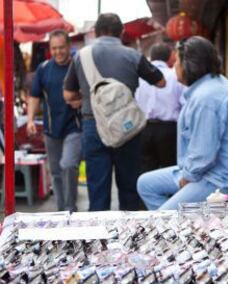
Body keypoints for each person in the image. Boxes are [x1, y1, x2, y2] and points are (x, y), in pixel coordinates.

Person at [63, 13, 165, 211]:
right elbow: (161, 82)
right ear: (122, 32)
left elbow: (67, 94)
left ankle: (100, 239)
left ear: (95, 32)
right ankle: (129, 237)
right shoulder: (133, 55)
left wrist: (86, 98)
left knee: (98, 190)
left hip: (93, 125)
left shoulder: (81, 56)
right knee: (129, 188)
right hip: (127, 127)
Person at [137, 36, 228, 210]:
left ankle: (175, 229)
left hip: (218, 179)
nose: (174, 66)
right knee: (145, 184)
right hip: (204, 171)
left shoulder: (207, 97)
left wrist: (187, 177)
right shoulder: (212, 87)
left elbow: (203, 154)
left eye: (177, 62)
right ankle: (182, 226)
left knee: (161, 218)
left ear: (189, 65)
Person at [27, 30, 82, 212]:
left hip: (74, 127)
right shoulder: (43, 69)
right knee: (56, 173)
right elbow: (34, 97)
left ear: (69, 46)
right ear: (50, 49)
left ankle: (70, 208)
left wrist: (81, 100)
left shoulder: (77, 66)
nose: (58, 52)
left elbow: (91, 93)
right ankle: (61, 211)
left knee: (68, 165)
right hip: (51, 129)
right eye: (54, 48)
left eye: (62, 48)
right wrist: (30, 120)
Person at [134, 43, 185, 177]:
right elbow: (184, 103)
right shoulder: (175, 76)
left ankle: (146, 197)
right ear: (170, 57)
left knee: (146, 171)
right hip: (169, 130)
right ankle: (170, 198)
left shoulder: (139, 77)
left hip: (144, 129)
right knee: (171, 171)